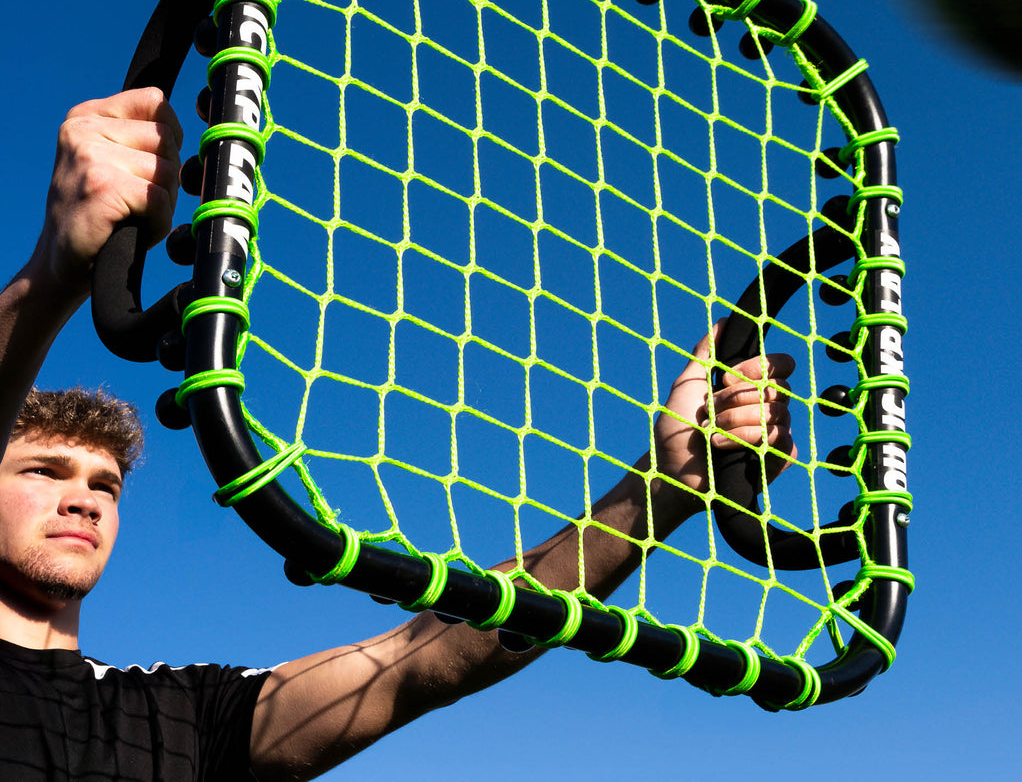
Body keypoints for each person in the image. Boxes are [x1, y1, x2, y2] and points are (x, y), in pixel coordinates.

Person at [0, 89, 796, 781]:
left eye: (104, 484)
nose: (84, 500)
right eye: (42, 470)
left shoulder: (171, 717)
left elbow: (417, 660)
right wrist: (50, 277)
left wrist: (655, 494)